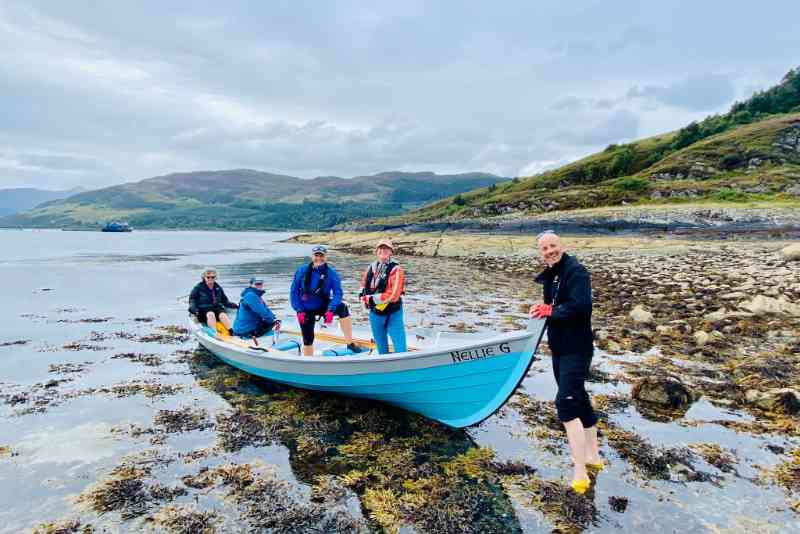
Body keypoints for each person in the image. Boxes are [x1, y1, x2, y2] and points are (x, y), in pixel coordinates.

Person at [529, 231, 601, 495]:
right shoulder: (553, 273)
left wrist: (551, 311)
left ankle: (580, 471)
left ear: (563, 246)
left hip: (577, 349)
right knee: (579, 398)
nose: (549, 251)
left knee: (566, 403)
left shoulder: (576, 271)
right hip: (559, 348)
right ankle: (593, 456)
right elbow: (554, 304)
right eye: (545, 248)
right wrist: (543, 308)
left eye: (553, 246)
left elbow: (581, 306)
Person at [290, 245, 361, 356]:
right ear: (312, 256)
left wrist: (331, 309)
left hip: (322, 305)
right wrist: (298, 309)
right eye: (316, 255)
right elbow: (294, 291)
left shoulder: (331, 273)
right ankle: (309, 362)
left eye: (321, 255)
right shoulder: (302, 271)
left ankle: (349, 342)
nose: (319, 258)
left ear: (325, 257)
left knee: (343, 308)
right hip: (305, 309)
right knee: (308, 339)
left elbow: (338, 293)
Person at [360, 238, 406, 354]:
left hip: (393, 314)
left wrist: (370, 299)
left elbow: (393, 296)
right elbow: (363, 284)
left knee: (401, 350)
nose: (383, 250)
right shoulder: (371, 267)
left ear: (391, 252)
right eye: (380, 248)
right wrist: (361, 296)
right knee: (381, 350)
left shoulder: (397, 269)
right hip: (375, 315)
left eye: (386, 248)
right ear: (376, 252)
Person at [189, 268, 237, 334]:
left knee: (223, 315)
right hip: (204, 310)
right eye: (208, 277)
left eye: (212, 277)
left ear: (215, 278)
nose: (210, 279)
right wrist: (193, 309)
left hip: (216, 308)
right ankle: (214, 333)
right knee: (210, 314)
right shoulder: (198, 288)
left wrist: (235, 305)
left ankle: (231, 331)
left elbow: (225, 301)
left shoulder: (218, 287)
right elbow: (192, 300)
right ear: (204, 278)